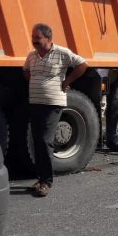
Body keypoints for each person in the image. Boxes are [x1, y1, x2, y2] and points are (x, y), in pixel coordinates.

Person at [24, 23, 88, 197]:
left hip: (53, 104)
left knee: (45, 141)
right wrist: (36, 82)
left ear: (48, 38)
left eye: (37, 38)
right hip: (35, 102)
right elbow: (26, 71)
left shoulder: (62, 53)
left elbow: (82, 64)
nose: (34, 40)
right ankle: (40, 178)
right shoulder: (32, 55)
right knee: (37, 141)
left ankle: (46, 181)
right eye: (33, 37)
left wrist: (66, 82)